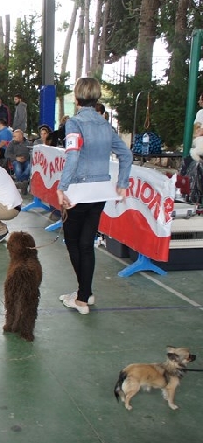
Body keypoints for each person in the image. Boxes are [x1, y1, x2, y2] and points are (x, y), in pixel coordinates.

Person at [56, 77, 133, 315]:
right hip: (100, 192)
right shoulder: (105, 125)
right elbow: (126, 155)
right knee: (86, 244)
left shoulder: (74, 123)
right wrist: (122, 183)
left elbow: (73, 156)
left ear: (77, 97)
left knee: (73, 242)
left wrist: (61, 187)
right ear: (96, 97)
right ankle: (85, 294)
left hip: (78, 191)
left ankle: (82, 298)